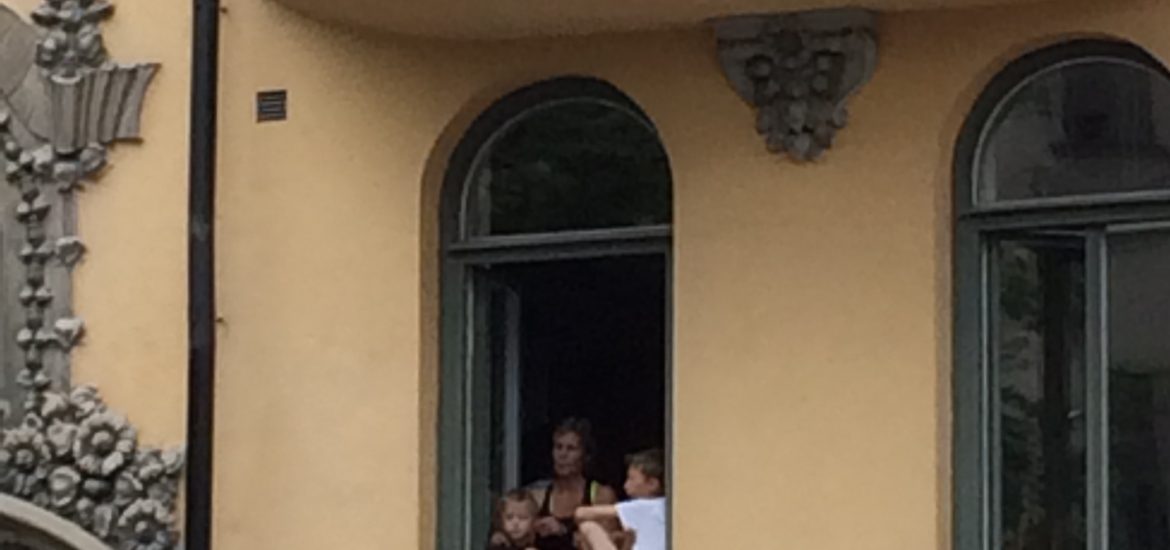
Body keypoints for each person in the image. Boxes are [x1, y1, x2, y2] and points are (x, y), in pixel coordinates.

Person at [528, 418, 618, 550]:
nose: (562, 455)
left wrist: (564, 532)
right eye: (558, 447)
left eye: (571, 449)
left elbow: (609, 544)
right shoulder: (538, 496)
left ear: (585, 455)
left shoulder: (601, 495)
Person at [574, 449, 666, 550]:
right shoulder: (665, 505)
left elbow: (582, 513)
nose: (625, 485)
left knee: (588, 527)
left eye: (631, 479)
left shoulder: (645, 506)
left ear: (652, 484)